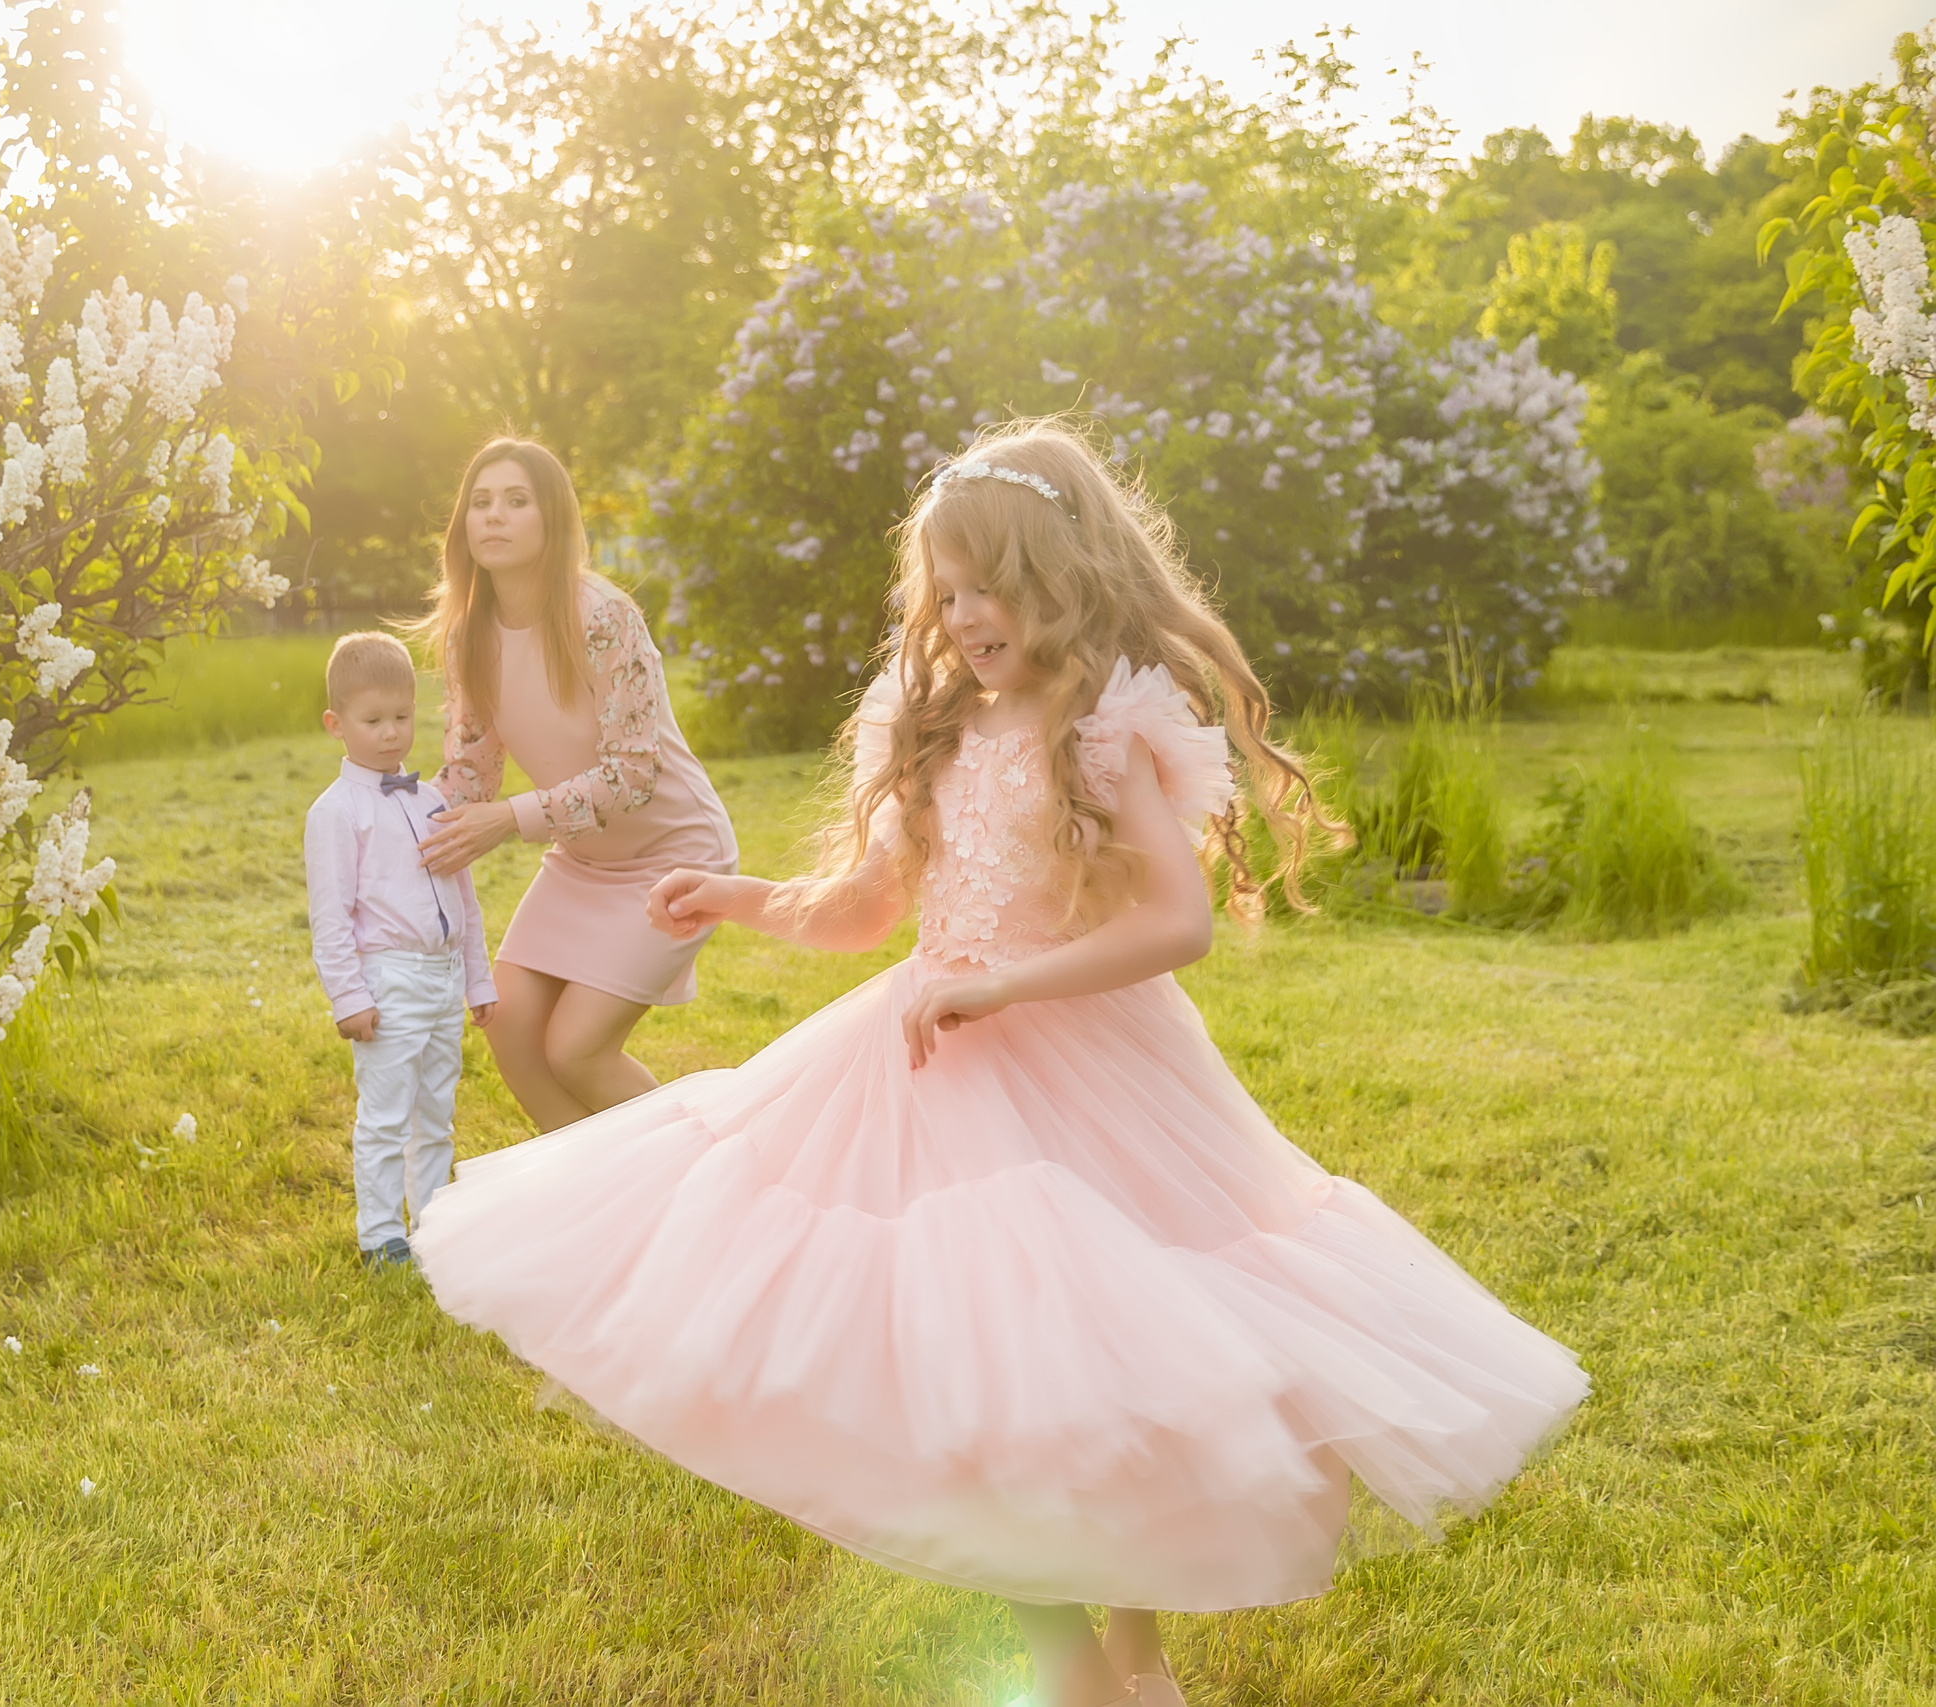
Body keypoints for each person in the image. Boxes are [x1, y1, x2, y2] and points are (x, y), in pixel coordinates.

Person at [410, 422, 1590, 1705]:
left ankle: (1137, 1654)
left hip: (1096, 1066)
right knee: (970, 1375)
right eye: (946, 593)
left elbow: (1173, 924)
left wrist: (1002, 985)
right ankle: (1063, 1658)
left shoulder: (1108, 723)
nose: (965, 617)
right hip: (931, 1072)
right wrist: (739, 895)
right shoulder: (932, 724)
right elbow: (870, 906)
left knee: (1125, 1357)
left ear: (1059, 578)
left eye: (988, 588)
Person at [411, 438, 738, 1131]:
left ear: (551, 517)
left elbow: (634, 773)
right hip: (584, 858)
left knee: (576, 1048)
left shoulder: (604, 616)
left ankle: (711, 1174)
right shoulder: (467, 634)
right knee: (507, 1020)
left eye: (517, 501)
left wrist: (509, 818)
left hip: (675, 855)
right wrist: (382, 815)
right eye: (481, 502)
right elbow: (469, 778)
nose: (494, 516)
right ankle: (601, 1204)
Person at [303, 632, 498, 1273]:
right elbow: (331, 917)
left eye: (403, 718)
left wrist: (479, 981)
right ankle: (381, 1237)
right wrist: (349, 997)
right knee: (386, 1115)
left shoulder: (433, 798)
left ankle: (434, 1228)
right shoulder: (336, 813)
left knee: (436, 1109)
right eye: (373, 721)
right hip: (388, 981)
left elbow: (462, 898)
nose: (391, 734)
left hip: (443, 977)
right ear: (337, 724)